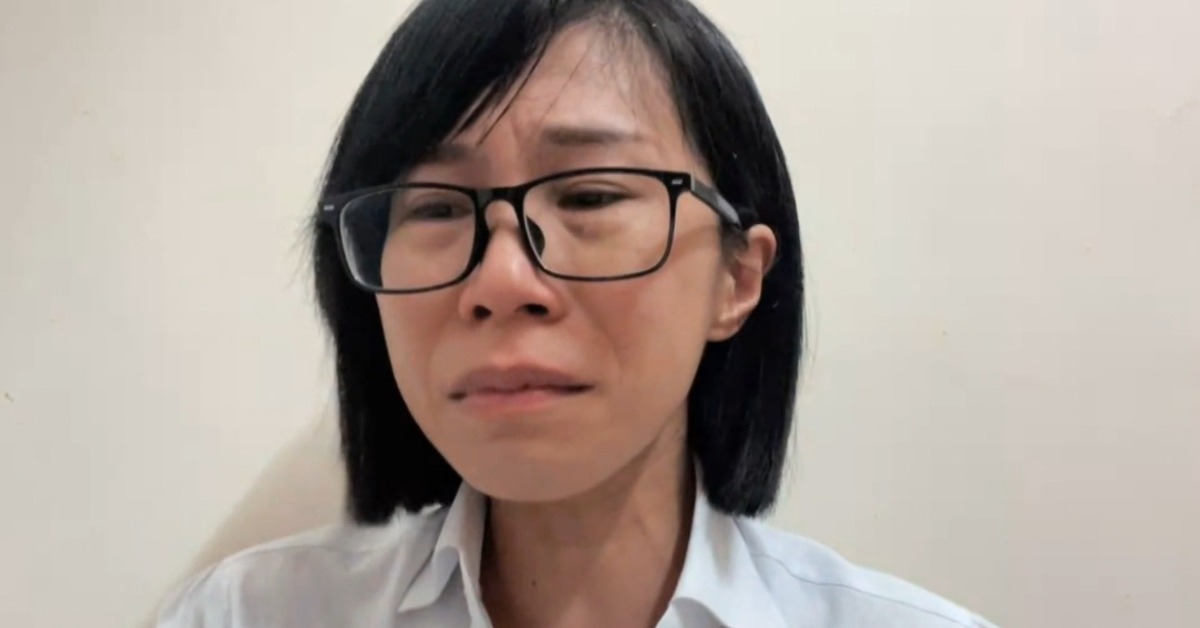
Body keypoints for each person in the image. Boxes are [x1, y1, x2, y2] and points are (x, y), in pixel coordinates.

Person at [158, 0, 997, 626]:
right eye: (436, 208)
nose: (501, 280)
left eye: (590, 195)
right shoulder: (246, 616)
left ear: (737, 278)